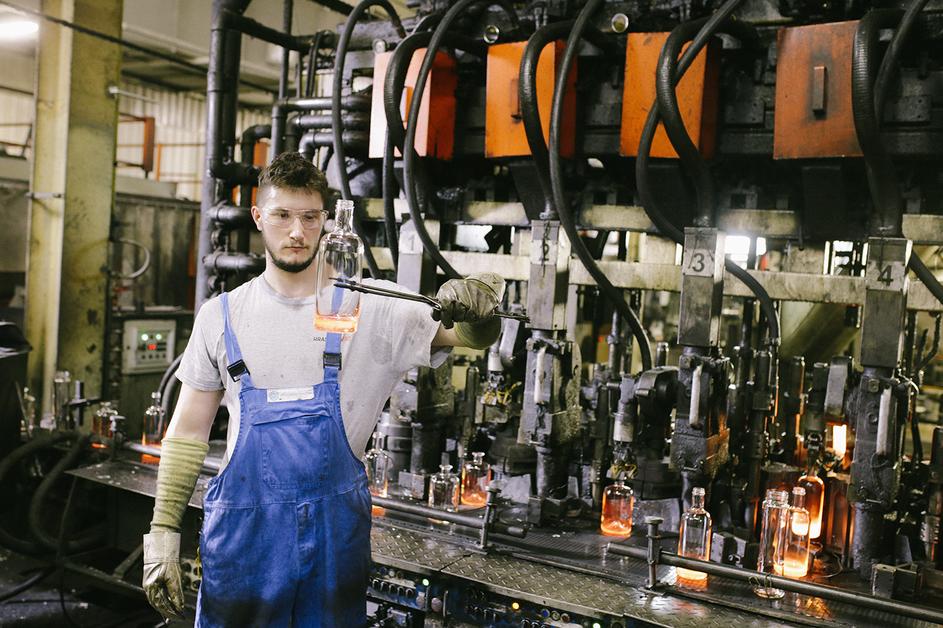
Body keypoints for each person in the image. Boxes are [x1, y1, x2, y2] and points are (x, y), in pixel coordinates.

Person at [141, 152, 503, 626]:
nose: (296, 232)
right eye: (282, 216)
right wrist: (163, 531)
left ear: (327, 221)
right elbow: (188, 432)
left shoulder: (371, 308)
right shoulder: (221, 316)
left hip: (334, 550)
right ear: (257, 216)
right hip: (244, 547)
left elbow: (468, 336)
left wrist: (478, 307)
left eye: (309, 217)